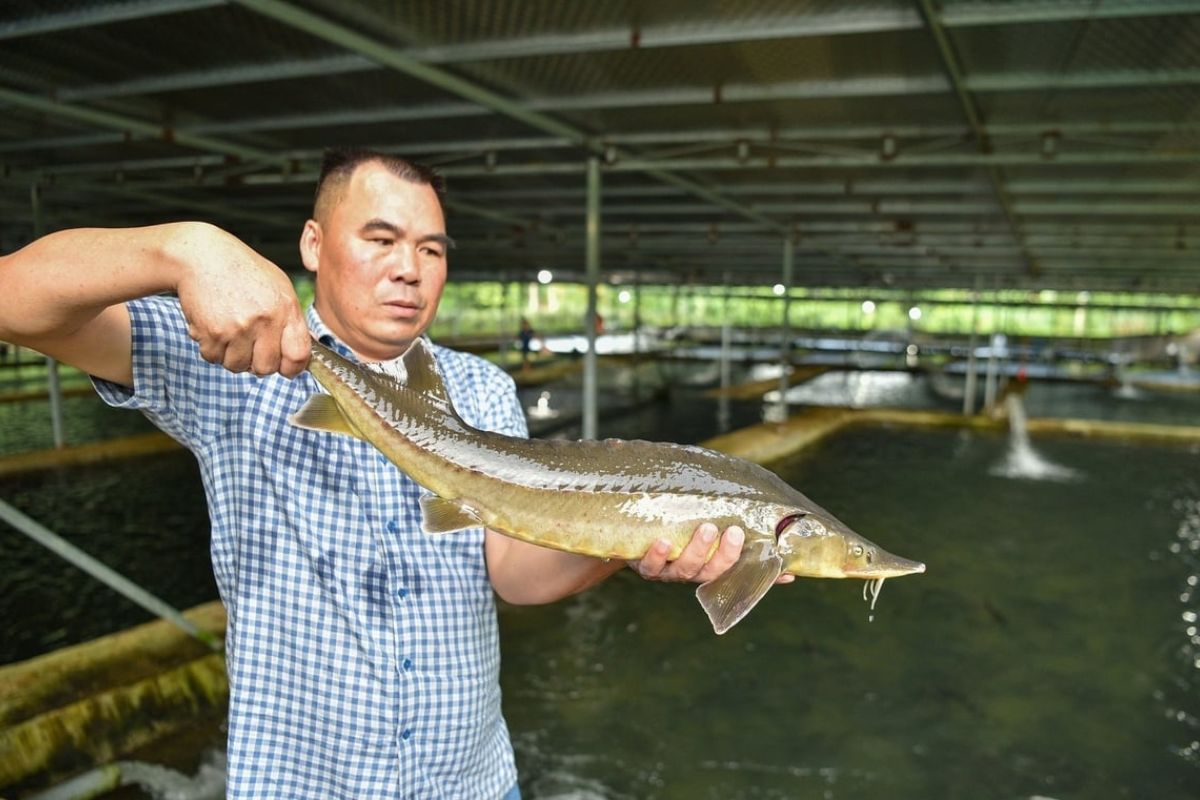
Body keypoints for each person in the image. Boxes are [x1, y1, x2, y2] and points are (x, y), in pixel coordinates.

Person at [0, 148, 783, 800]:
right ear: (312, 246)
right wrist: (184, 248)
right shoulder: (233, 355)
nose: (410, 269)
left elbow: (515, 573)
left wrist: (624, 536)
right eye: (380, 239)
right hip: (299, 784)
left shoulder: (480, 390)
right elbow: (16, 301)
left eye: (432, 249)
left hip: (470, 782)